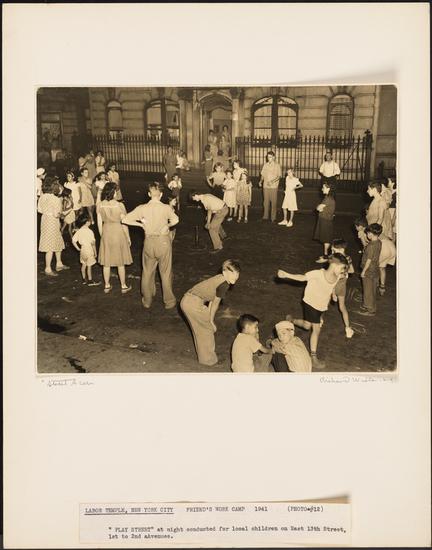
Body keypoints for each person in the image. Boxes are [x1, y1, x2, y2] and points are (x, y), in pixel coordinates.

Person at [277, 253, 348, 370]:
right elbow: (302, 277)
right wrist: (286, 275)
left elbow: (332, 287)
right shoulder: (318, 274)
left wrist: (333, 294)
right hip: (311, 303)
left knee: (307, 325)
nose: (342, 271)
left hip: (321, 306)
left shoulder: (337, 276)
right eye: (341, 268)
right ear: (334, 265)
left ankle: (291, 320)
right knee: (316, 329)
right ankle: (313, 357)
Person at [122, 182, 179, 309]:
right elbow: (176, 220)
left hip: (148, 242)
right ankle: (169, 302)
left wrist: (141, 224)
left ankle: (147, 300)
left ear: (149, 194)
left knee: (147, 272)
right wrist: (167, 225)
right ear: (161, 194)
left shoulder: (142, 208)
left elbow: (125, 219)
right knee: (166, 272)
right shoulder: (166, 208)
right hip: (163, 242)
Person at [180, 260, 241, 366]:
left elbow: (212, 299)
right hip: (193, 303)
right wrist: (211, 321)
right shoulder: (224, 284)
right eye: (233, 275)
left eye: (237, 276)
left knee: (201, 330)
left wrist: (208, 316)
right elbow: (215, 303)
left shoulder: (220, 278)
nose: (235, 279)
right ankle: (209, 361)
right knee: (207, 330)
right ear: (224, 272)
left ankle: (205, 358)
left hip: (188, 301)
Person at [97, 181, 133, 294]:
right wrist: (128, 237)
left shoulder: (100, 205)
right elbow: (124, 222)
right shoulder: (120, 205)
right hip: (118, 232)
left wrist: (102, 236)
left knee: (106, 262)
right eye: (116, 191)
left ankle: (107, 285)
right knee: (120, 261)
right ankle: (123, 285)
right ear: (113, 193)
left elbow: (99, 223)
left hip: (106, 231)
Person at [37, 176, 69, 276]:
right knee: (50, 244)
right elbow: (56, 214)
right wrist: (63, 214)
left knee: (57, 240)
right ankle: (48, 268)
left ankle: (59, 264)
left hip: (44, 220)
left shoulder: (42, 197)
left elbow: (39, 210)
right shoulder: (55, 199)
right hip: (53, 221)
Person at [330, 239, 355, 338]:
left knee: (324, 303)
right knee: (342, 307)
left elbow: (332, 277)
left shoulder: (334, 259)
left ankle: (320, 321)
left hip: (333, 284)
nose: (332, 251)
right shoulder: (348, 258)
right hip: (342, 285)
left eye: (334, 249)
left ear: (341, 249)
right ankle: (348, 328)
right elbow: (352, 270)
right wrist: (345, 273)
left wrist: (333, 293)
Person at [357, 223, 382, 316]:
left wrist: (363, 271)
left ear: (371, 234)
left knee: (368, 289)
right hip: (375, 269)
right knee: (372, 288)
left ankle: (370, 309)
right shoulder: (378, 242)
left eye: (367, 233)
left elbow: (369, 260)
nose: (367, 235)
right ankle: (367, 305)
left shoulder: (371, 246)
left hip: (369, 270)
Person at [72, 211, 101, 286]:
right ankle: (90, 281)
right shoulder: (90, 231)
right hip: (89, 249)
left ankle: (84, 279)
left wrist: (78, 248)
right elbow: (93, 244)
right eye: (90, 220)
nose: (91, 222)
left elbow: (73, 241)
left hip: (82, 250)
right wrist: (95, 252)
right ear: (87, 222)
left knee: (83, 265)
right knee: (89, 266)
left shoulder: (79, 231)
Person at [314, 181, 336, 263]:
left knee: (326, 238)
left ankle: (326, 257)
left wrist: (318, 207)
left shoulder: (328, 199)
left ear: (328, 189)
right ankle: (327, 255)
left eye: (323, 187)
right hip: (325, 219)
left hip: (326, 220)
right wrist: (319, 207)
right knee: (326, 238)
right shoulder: (328, 197)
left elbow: (318, 208)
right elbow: (319, 208)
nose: (322, 189)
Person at [258, 151, 282, 222]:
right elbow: (262, 175)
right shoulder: (265, 165)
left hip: (273, 187)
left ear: (274, 157)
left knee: (273, 202)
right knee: (265, 202)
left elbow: (279, 176)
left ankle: (273, 218)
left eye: (270, 157)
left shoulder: (277, 165)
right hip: (265, 186)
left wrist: (272, 181)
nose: (268, 158)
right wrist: (260, 181)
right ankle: (265, 217)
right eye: (268, 157)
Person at [377, 226, 396, 296]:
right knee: (382, 268)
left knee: (374, 265)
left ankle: (376, 284)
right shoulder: (382, 233)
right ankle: (382, 287)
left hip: (385, 249)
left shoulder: (366, 233)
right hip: (392, 247)